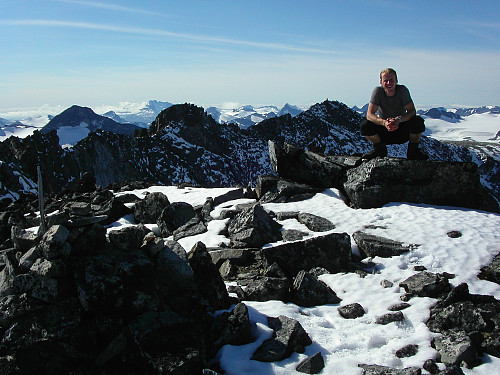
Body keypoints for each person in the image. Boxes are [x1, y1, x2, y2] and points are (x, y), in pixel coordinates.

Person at [360, 68, 428, 160]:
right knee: (365, 126)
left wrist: (398, 120)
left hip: (401, 129)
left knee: (418, 122)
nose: (389, 83)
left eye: (391, 80)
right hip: (384, 131)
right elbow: (370, 114)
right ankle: (379, 149)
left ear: (396, 81)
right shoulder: (378, 92)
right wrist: (384, 123)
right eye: (386, 80)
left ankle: (413, 151)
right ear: (381, 82)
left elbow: (412, 111)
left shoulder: (402, 90)